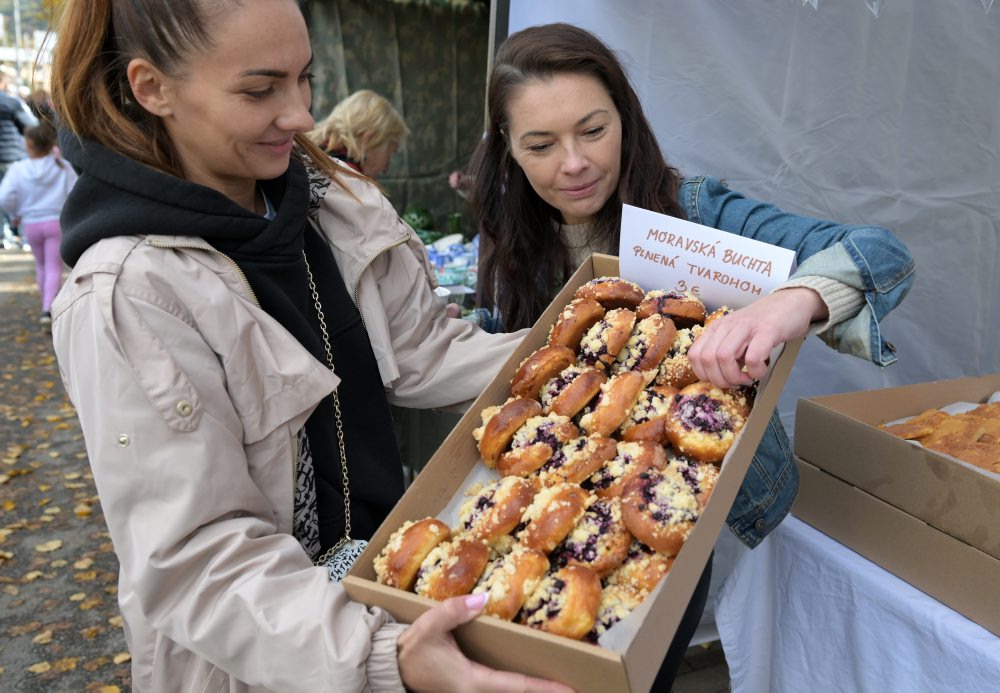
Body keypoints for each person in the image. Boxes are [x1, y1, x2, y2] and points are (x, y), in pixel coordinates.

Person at [48, 2, 570, 692]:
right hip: (268, 663)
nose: (298, 115)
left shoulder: (332, 202)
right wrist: (385, 658)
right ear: (153, 88)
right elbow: (200, 559)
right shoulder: (130, 294)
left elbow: (428, 350)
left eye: (306, 79)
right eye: (260, 89)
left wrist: (581, 346)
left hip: (391, 593)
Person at [467, 22, 915, 688]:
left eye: (593, 130)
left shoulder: (698, 213)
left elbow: (881, 252)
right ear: (507, 147)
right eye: (540, 143)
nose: (574, 163)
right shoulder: (507, 239)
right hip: (543, 523)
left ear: (626, 117)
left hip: (674, 517)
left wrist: (785, 302)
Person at [0, 122, 77, 323]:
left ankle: (46, 305)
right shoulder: (63, 166)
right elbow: (74, 192)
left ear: (30, 145)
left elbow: (4, 197)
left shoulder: (18, 169)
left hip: (30, 223)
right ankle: (48, 308)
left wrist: (14, 213)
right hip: (56, 222)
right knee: (54, 267)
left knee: (41, 266)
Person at [307, 89, 408, 177]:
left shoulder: (304, 154)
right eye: (389, 154)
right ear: (368, 140)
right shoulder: (349, 181)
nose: (385, 169)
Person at [0, 68, 38, 249]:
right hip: (13, 157)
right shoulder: (11, 102)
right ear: (3, 83)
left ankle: (4, 237)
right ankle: (25, 237)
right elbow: (31, 125)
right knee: (20, 198)